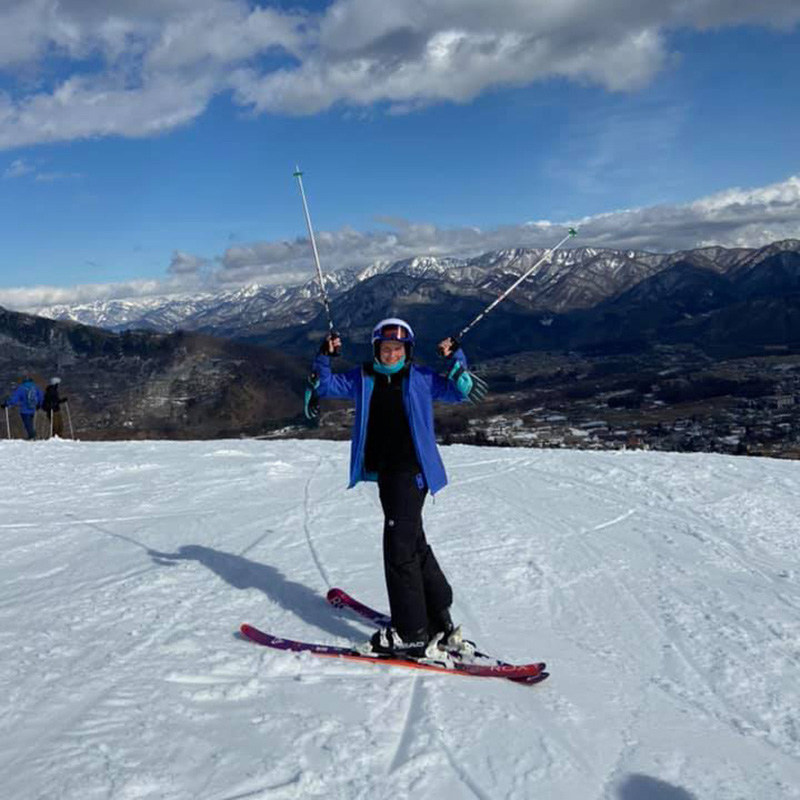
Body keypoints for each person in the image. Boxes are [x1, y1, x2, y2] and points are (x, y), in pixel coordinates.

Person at [311, 318, 487, 661]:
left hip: (412, 473)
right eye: (386, 349)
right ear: (376, 349)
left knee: (398, 548)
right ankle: (439, 619)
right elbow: (325, 386)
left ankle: (410, 633)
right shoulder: (362, 377)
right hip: (388, 474)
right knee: (413, 543)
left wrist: (456, 358)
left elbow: (459, 392)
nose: (392, 354)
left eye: (398, 349)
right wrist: (324, 355)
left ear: (408, 351)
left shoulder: (420, 377)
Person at [2, 375, 44, 440]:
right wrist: (39, 405)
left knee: (27, 424)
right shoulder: (35, 387)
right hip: (33, 409)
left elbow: (14, 399)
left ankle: (32, 436)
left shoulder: (21, 388)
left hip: (24, 409)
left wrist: (7, 404)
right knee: (30, 423)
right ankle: (32, 435)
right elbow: (41, 396)